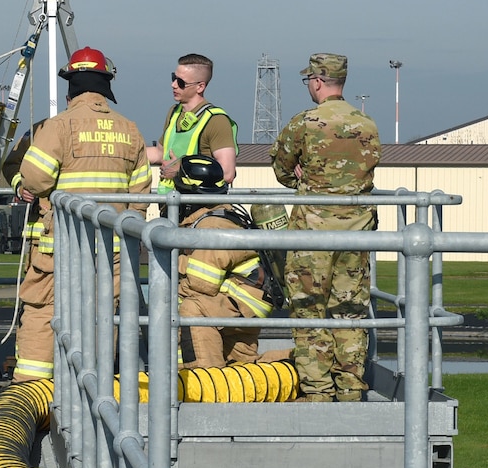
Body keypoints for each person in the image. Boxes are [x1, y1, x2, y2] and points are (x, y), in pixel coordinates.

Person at [12, 47, 150, 382]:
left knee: (45, 313)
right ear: (106, 86)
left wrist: (20, 183)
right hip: (112, 252)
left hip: (61, 248)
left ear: (71, 86)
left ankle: (32, 397)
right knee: (103, 319)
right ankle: (95, 398)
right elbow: (140, 197)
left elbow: (35, 179)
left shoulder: (58, 127)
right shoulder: (129, 130)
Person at [271, 53, 381, 402]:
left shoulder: (305, 122)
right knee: (349, 311)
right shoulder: (367, 124)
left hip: (312, 235)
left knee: (308, 310)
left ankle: (318, 392)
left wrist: (304, 176)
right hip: (356, 233)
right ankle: (350, 390)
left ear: (317, 81)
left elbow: (282, 169)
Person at [172, 153, 272, 370]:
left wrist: (172, 262)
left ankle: (205, 381)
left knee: (192, 308)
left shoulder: (212, 226)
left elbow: (201, 283)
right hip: (242, 299)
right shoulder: (215, 216)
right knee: (242, 365)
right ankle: (291, 367)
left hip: (240, 301)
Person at [147, 52, 237, 192]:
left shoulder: (216, 120)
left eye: (181, 82)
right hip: (171, 207)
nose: (173, 85)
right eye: (173, 78)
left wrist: (180, 171)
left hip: (200, 208)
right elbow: (160, 152)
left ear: (200, 87)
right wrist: (124, 151)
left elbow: (227, 173)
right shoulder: (173, 113)